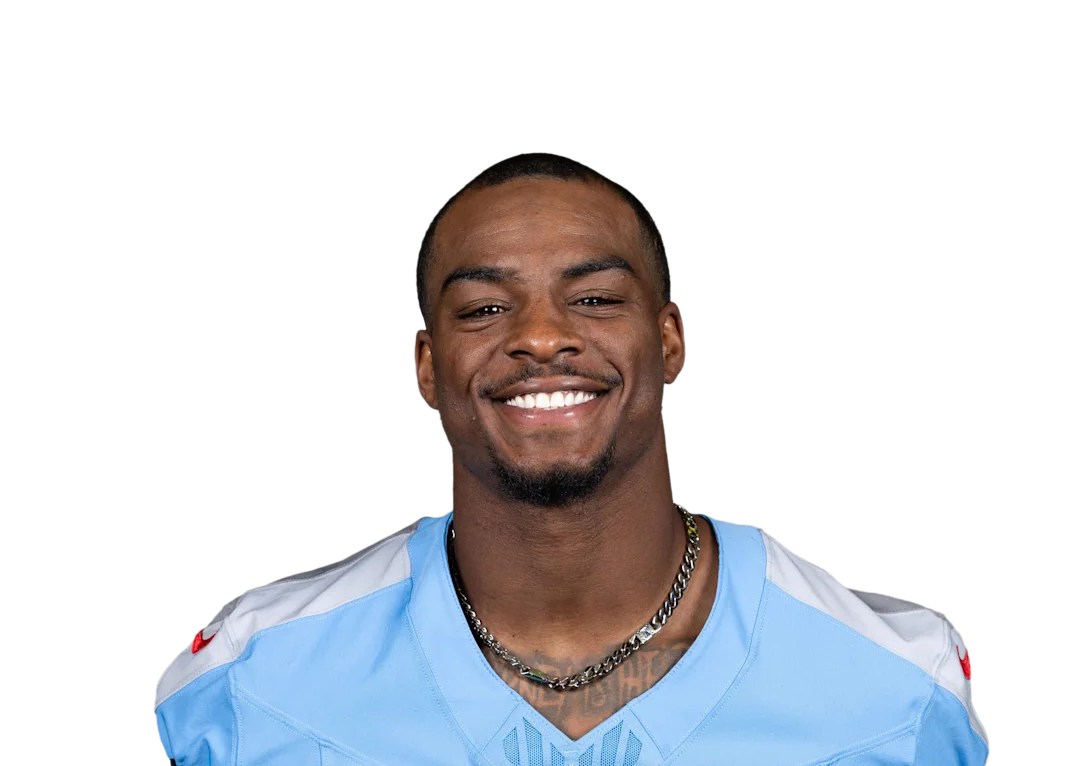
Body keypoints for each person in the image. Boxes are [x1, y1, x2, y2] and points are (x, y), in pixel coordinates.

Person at [153, 151, 990, 765]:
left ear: (669, 341)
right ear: (426, 366)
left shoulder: (899, 692)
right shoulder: (246, 682)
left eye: (594, 298)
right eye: (484, 308)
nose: (542, 337)